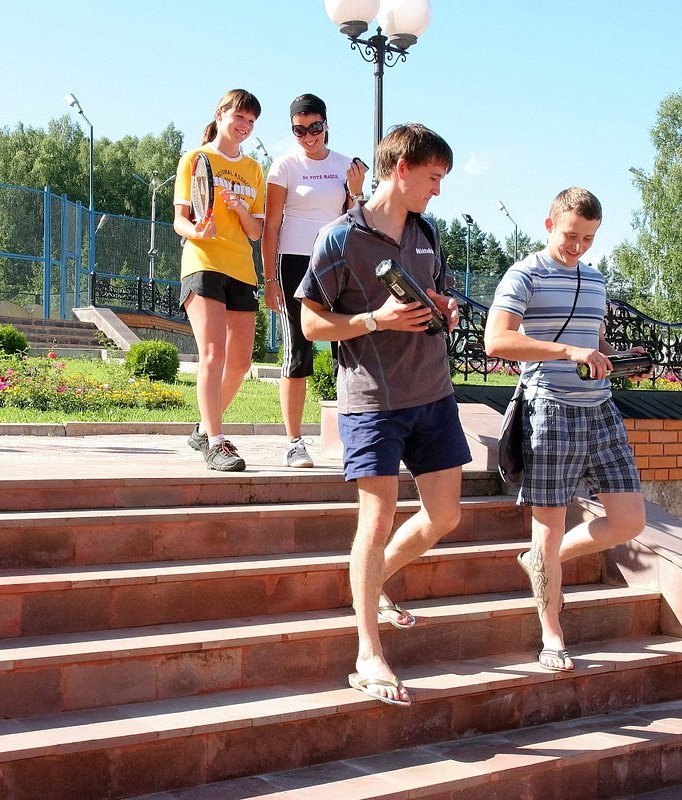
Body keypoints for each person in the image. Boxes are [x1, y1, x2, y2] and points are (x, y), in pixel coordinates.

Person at [297, 123, 469, 706]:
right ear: (401, 169)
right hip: (373, 401)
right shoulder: (339, 238)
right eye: (433, 177)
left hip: (433, 393)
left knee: (444, 516)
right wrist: (377, 319)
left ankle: (374, 583)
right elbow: (310, 324)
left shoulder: (427, 232)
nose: (437, 190)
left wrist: (443, 306)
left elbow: (439, 293)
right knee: (376, 520)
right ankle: (368, 651)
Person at [484, 187, 647, 673]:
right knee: (548, 530)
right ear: (549, 224)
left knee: (629, 521)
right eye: (571, 235)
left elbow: (593, 340)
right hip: (549, 410)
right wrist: (568, 352)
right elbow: (496, 341)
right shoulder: (525, 274)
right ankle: (551, 633)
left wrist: (617, 359)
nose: (579, 246)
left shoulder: (594, 280)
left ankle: (541, 560)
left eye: (589, 238)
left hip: (600, 410)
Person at [262, 93, 367, 468]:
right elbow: (271, 227)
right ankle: (294, 442)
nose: (308, 136)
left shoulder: (345, 165)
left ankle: (352, 438)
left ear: (326, 124)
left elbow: (358, 220)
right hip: (294, 263)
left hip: (337, 262)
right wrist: (269, 279)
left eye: (315, 127)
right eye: (299, 130)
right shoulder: (284, 166)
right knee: (297, 351)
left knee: (347, 348)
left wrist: (357, 191)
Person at [174, 89, 266, 471]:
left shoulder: (254, 169)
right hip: (203, 263)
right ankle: (216, 442)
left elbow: (256, 231)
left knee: (240, 364)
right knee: (213, 355)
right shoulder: (196, 159)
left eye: (251, 121)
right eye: (239, 117)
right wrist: (198, 232)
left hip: (242, 269)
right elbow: (179, 220)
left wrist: (242, 209)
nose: (244, 125)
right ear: (221, 114)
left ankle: (202, 429)